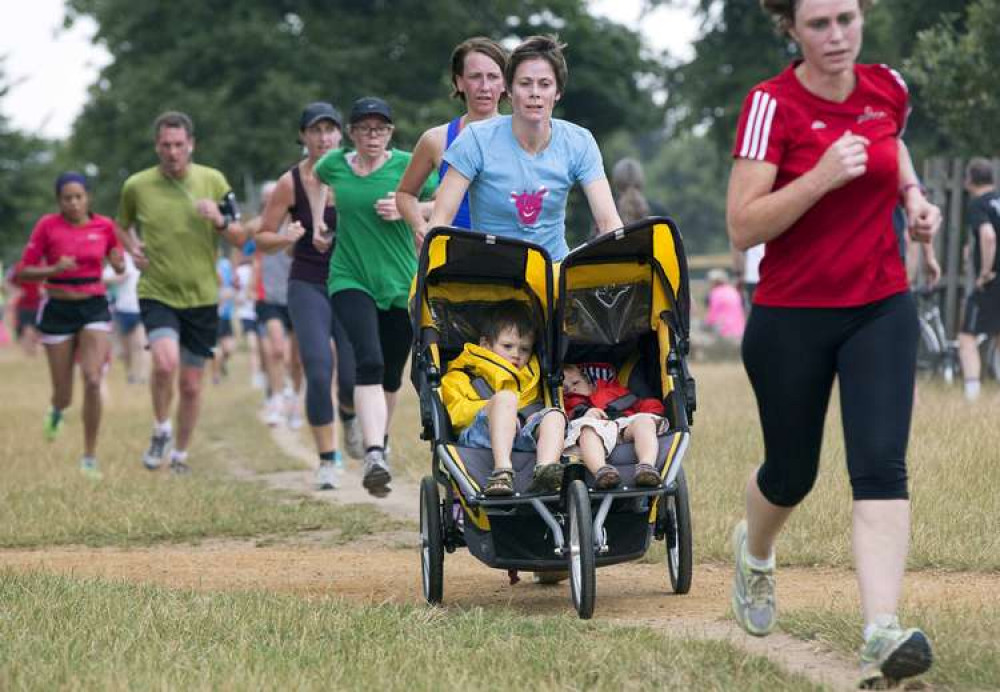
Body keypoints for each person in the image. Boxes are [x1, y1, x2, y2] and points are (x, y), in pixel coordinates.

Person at [726, 1, 941, 687]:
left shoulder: (889, 88)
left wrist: (912, 197)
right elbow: (742, 226)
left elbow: (892, 145)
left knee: (880, 464)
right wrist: (819, 175)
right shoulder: (770, 104)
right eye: (819, 24)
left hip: (880, 304)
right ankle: (755, 553)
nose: (837, 36)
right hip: (791, 316)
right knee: (792, 474)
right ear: (790, 28)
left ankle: (881, 630)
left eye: (846, 18)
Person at [310, 96, 437, 496]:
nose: (372, 135)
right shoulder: (334, 165)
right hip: (350, 276)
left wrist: (408, 210)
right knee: (367, 358)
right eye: (364, 128)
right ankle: (374, 452)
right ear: (351, 133)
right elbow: (314, 180)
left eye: (380, 128)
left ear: (390, 132)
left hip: (400, 282)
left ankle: (378, 438)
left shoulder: (405, 165)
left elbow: (443, 201)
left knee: (390, 373)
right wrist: (317, 223)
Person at [115, 111, 246, 474]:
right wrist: (133, 248)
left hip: (202, 295)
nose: (172, 152)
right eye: (165, 145)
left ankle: (181, 455)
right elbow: (120, 226)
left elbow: (240, 236)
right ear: (157, 146)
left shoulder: (213, 180)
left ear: (191, 145)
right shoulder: (137, 186)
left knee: (190, 384)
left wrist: (219, 220)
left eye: (178, 145)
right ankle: (161, 428)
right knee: (164, 362)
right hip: (157, 290)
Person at [427, 35, 622, 260]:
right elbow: (439, 222)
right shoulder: (475, 139)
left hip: (552, 273)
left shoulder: (579, 141)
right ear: (509, 90)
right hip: (489, 275)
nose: (535, 93)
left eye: (545, 84)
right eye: (525, 83)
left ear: (557, 92)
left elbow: (608, 221)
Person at [256, 103, 362, 490]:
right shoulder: (291, 182)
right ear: (303, 137)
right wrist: (285, 237)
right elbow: (263, 237)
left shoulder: (357, 172)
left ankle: (350, 416)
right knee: (318, 368)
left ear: (341, 134)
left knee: (351, 377)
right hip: (307, 284)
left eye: (330, 130)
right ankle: (328, 460)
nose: (323, 138)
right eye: (315, 131)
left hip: (350, 281)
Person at [15, 172, 125, 478]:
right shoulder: (47, 226)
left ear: (88, 197)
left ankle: (89, 458)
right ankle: (56, 410)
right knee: (63, 393)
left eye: (79, 197)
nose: (74, 203)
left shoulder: (104, 225)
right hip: (58, 308)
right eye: (67, 198)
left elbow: (117, 261)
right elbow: (23, 272)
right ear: (59, 201)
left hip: (93, 306)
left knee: (92, 379)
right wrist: (53, 268)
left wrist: (117, 263)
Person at [440, 300, 566, 496]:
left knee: (555, 415)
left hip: (522, 434)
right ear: (485, 344)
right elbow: (456, 415)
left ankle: (546, 470)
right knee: (505, 399)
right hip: (480, 435)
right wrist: (497, 409)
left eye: (524, 349)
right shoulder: (462, 374)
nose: (516, 354)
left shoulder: (533, 376)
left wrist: (531, 417)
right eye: (507, 346)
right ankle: (502, 471)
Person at [397, 36, 508, 240]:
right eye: (475, 76)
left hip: (507, 252)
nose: (484, 86)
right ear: (459, 82)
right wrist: (420, 226)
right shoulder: (436, 139)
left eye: (493, 77)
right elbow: (405, 194)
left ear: (505, 83)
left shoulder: (520, 136)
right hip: (452, 256)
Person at [247, 181, 304, 429]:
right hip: (268, 295)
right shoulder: (259, 226)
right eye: (267, 198)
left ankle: (294, 398)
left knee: (297, 358)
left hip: (296, 292)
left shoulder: (299, 223)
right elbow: (246, 251)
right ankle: (277, 398)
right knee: (277, 349)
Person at [561, 363, 662, 489]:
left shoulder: (612, 391)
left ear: (589, 382)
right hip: (596, 428)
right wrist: (583, 415)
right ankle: (601, 470)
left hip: (624, 424)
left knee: (644, 420)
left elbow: (641, 403)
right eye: (565, 389)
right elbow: (564, 423)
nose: (572, 389)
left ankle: (646, 466)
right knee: (586, 431)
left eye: (576, 383)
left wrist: (654, 412)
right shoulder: (569, 403)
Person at [958, 158, 1000, 401]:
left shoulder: (978, 204)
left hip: (993, 280)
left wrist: (985, 272)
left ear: (970, 179)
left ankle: (971, 397)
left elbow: (988, 236)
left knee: (967, 336)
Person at [103, 250, 148, 383]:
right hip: (122, 309)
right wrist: (117, 279)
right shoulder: (119, 258)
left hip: (140, 308)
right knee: (126, 349)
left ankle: (143, 376)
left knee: (141, 344)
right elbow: (103, 277)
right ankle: (130, 374)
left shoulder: (142, 258)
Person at [6, 261, 43, 357]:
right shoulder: (18, 267)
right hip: (23, 304)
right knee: (26, 328)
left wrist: (43, 289)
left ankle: (32, 350)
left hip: (38, 303)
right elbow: (8, 282)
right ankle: (29, 352)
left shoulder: (42, 266)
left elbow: (49, 280)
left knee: (36, 330)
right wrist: (16, 290)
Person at [704, 268, 746, 341]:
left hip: (725, 331)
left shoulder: (715, 293)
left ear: (715, 282)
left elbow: (711, 316)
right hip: (740, 330)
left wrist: (705, 324)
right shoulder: (733, 290)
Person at [213, 250, 236, 385]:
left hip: (227, 315)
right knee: (217, 350)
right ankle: (215, 376)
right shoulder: (207, 266)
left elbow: (232, 283)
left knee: (229, 349)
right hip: (214, 315)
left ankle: (221, 365)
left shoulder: (226, 264)